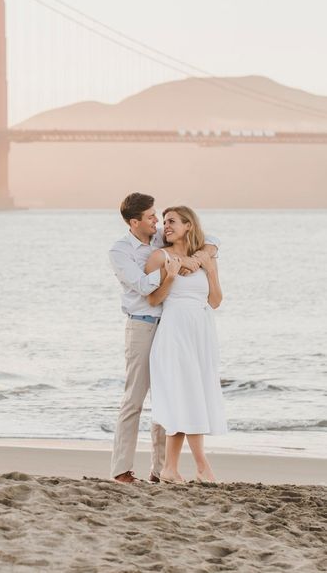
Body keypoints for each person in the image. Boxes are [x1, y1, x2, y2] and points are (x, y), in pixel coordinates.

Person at [109, 193, 219, 483]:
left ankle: (161, 469)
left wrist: (196, 258)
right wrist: (173, 269)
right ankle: (121, 470)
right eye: (151, 217)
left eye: (157, 217)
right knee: (135, 398)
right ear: (135, 222)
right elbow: (144, 286)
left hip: (172, 326)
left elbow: (210, 239)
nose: (157, 222)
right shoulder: (121, 251)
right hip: (144, 325)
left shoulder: (158, 237)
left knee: (167, 397)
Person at [146, 206, 227, 484]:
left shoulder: (203, 257)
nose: (166, 226)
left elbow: (215, 301)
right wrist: (170, 276)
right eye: (164, 222)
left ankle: (170, 468)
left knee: (190, 398)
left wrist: (210, 270)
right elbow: (153, 300)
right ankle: (203, 466)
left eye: (172, 221)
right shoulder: (160, 256)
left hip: (201, 335)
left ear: (188, 225)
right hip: (174, 333)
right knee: (187, 396)